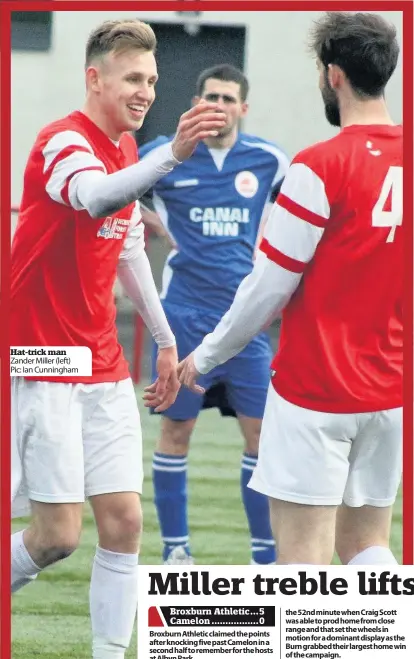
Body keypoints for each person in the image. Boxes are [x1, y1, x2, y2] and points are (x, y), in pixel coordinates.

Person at [10, 19, 226, 659]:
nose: (146, 91)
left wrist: (164, 342)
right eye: (134, 78)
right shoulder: (63, 141)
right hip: (44, 358)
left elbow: (127, 240)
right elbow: (96, 198)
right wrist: (173, 155)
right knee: (57, 539)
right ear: (95, 78)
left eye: (154, 81)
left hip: (101, 362)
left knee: (125, 523)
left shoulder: (127, 149)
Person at [171, 11, 403, 567]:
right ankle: (385, 657)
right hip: (393, 391)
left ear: (333, 76)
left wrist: (204, 356)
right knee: (368, 549)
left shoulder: (318, 165)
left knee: (303, 563)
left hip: (315, 390)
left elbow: (268, 288)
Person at [138, 64, 290, 566]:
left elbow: (294, 218)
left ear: (243, 107)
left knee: (260, 435)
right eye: (210, 97)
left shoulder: (269, 161)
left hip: (245, 322)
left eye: (228, 98)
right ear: (196, 103)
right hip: (183, 318)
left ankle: (265, 557)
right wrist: (153, 219)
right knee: (176, 432)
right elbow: (115, 191)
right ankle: (176, 551)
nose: (218, 106)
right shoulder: (168, 155)